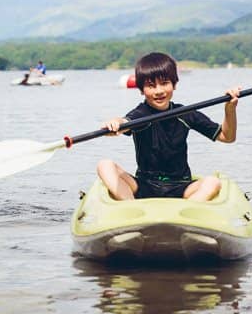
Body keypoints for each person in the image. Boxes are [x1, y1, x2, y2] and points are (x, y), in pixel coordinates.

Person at [96, 52, 240, 202]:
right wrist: (115, 124)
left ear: (174, 84)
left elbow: (227, 137)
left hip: (181, 187)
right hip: (144, 185)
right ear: (141, 90)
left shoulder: (185, 113)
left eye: (164, 83)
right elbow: (125, 122)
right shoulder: (141, 113)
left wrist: (229, 109)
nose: (159, 91)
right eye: (151, 86)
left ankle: (184, 213)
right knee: (104, 165)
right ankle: (130, 206)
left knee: (213, 182)